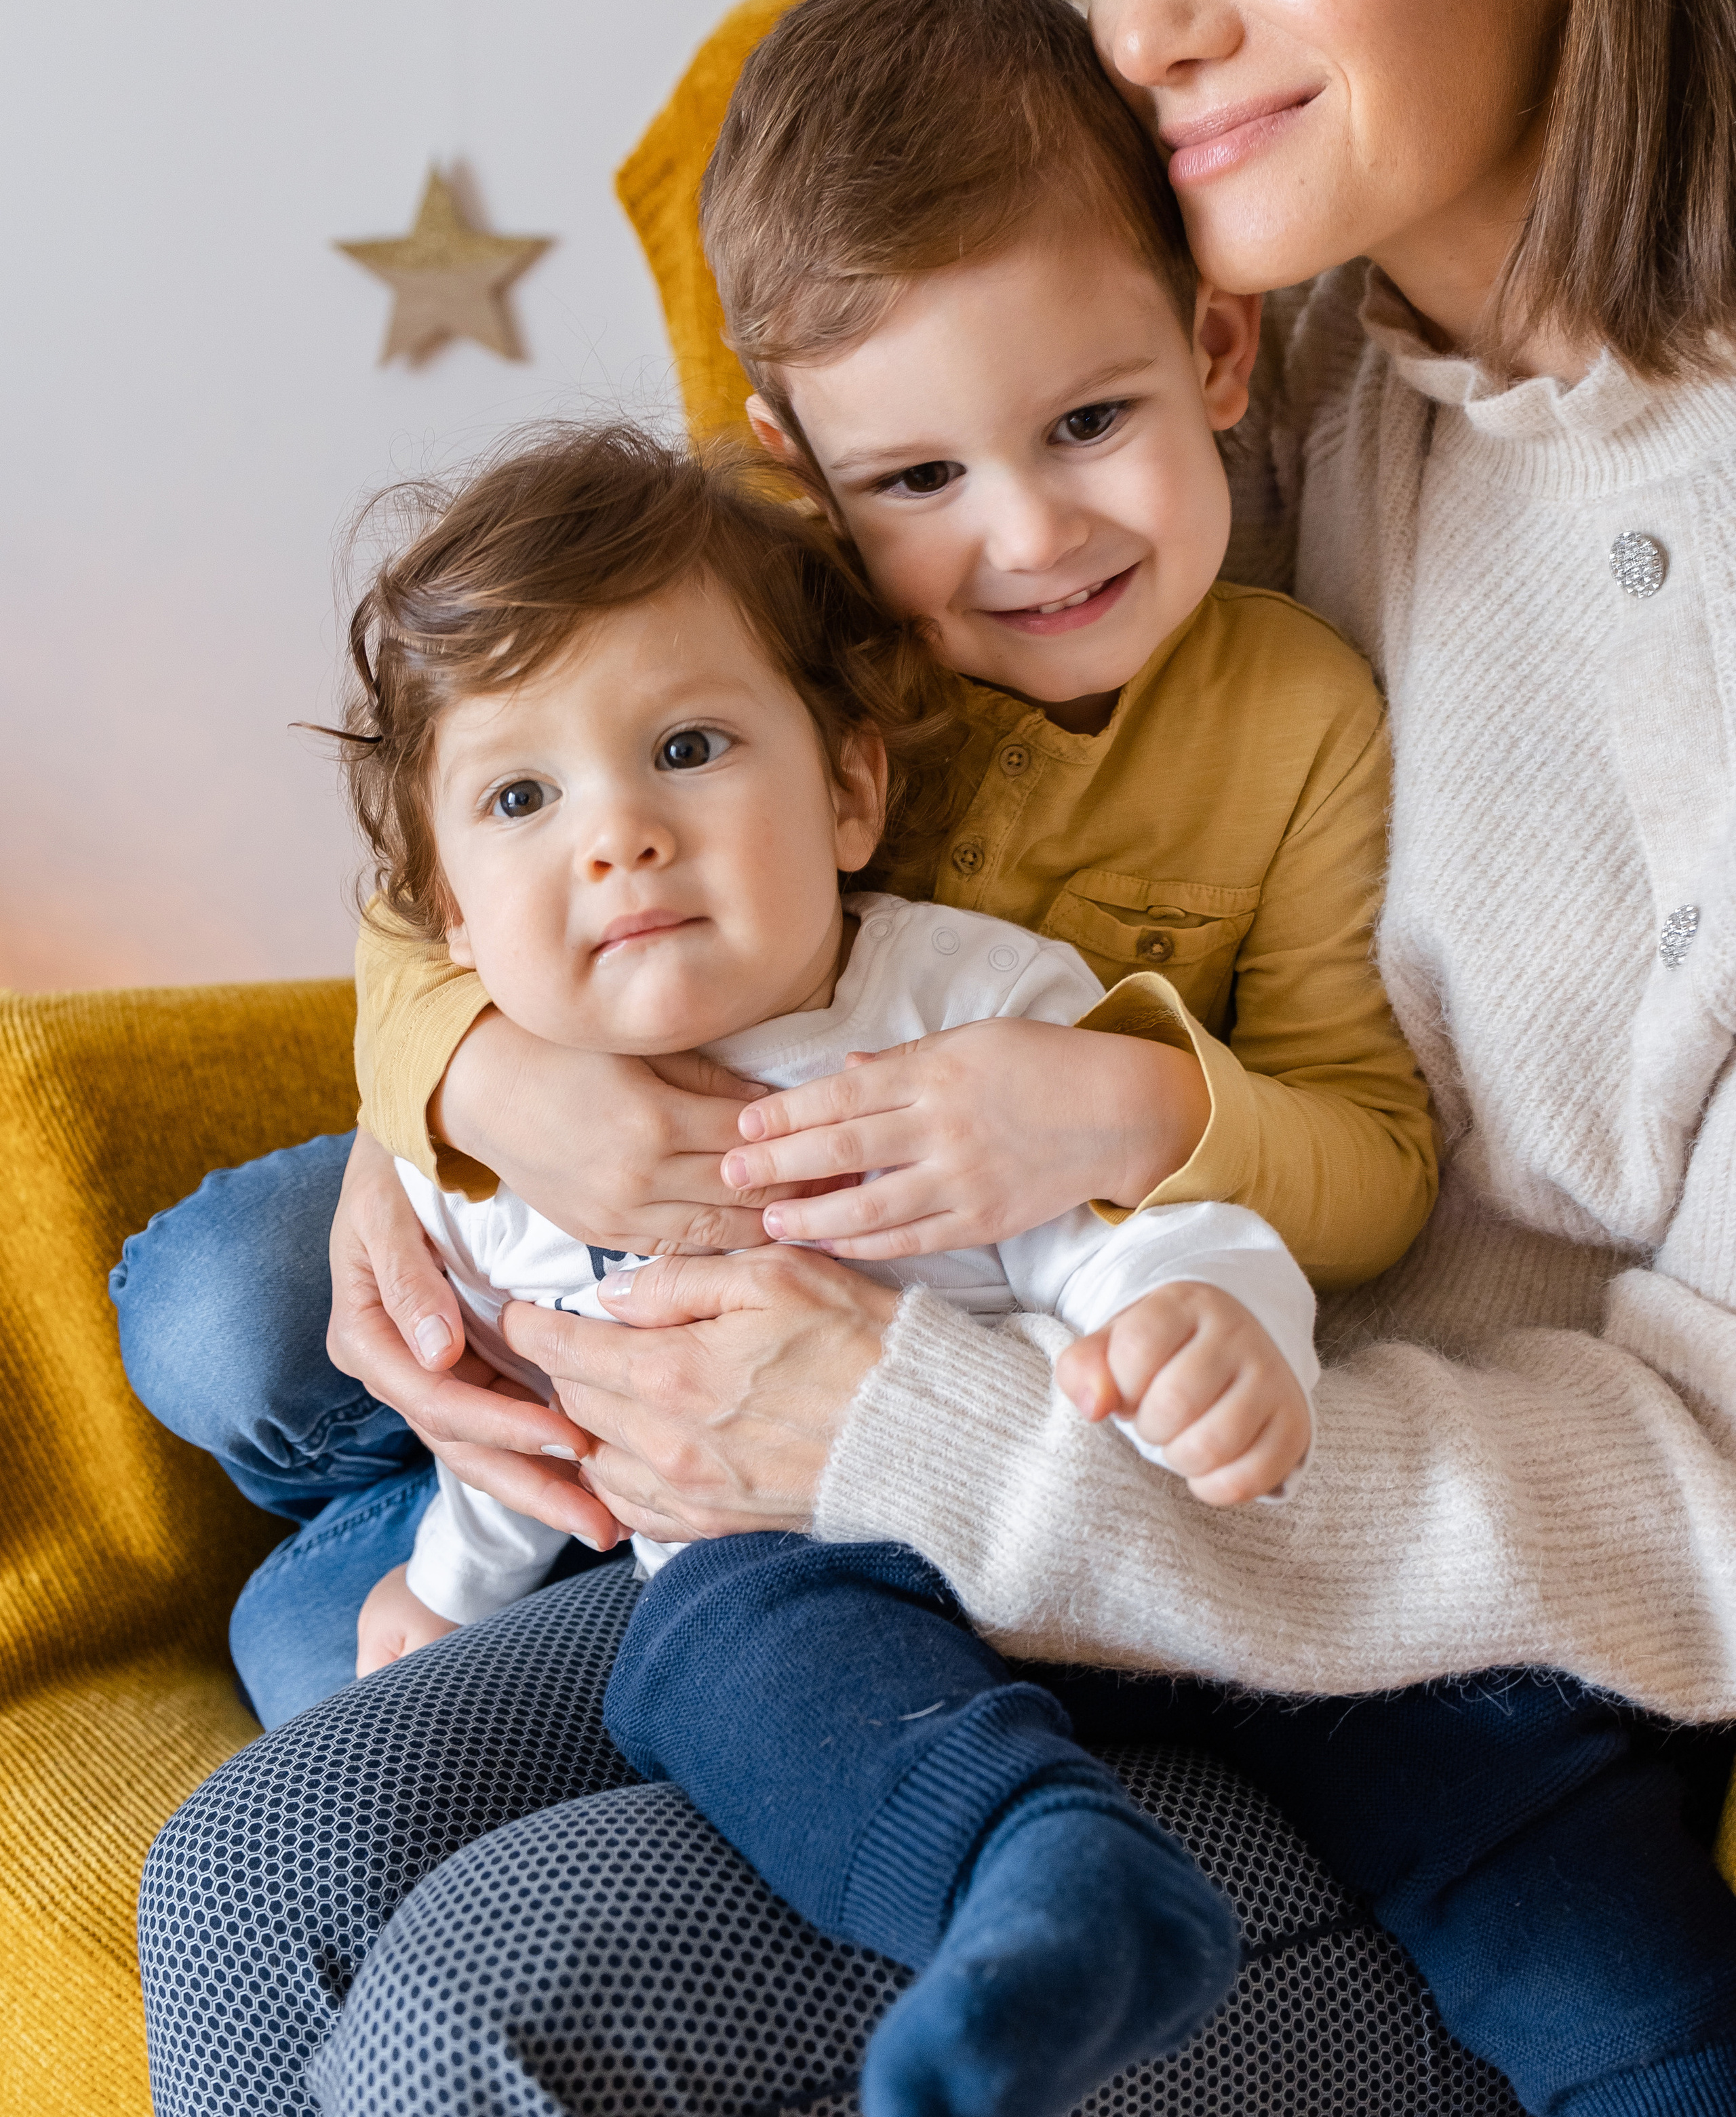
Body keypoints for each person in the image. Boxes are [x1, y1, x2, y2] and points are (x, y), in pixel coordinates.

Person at [125, 0, 1736, 2112]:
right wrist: (459, 1078)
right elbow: (587, 723)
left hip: (1418, 1652)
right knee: (248, 1878)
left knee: (469, 2017)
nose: (1161, 21)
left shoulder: (1253, 434)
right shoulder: (1210, 369)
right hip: (965, 1475)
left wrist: (920, 1415)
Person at [332, 414, 1336, 2116]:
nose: (617, 837)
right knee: (702, 1640)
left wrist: (1213, 1321)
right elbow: (540, 1411)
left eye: (690, 746)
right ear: (446, 916)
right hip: (788, 1594)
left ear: (853, 789)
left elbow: (1139, 1219)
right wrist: (447, 1590)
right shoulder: (493, 1143)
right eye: (522, 797)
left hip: (1055, 1517)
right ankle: (1041, 1888)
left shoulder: (958, 1001)